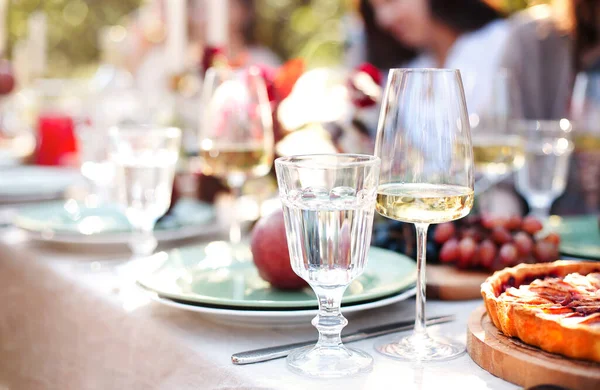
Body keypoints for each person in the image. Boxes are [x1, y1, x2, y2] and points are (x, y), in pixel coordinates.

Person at [367, 0, 509, 116]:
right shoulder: (414, 65)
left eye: (391, 1)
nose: (383, 19)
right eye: (375, 8)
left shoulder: (501, 43)